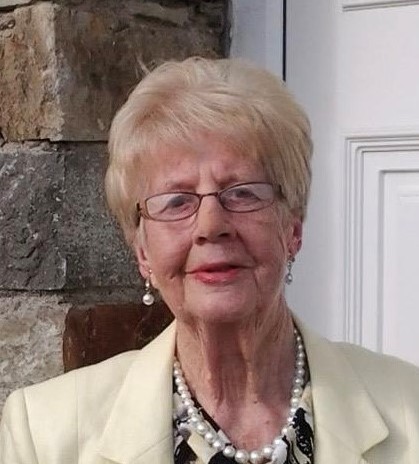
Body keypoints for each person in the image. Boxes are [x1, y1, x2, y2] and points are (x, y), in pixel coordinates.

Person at [1, 57, 419, 464]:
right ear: (143, 252)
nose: (210, 225)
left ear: (293, 229)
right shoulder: (44, 432)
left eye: (242, 193)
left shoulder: (408, 409)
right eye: (176, 201)